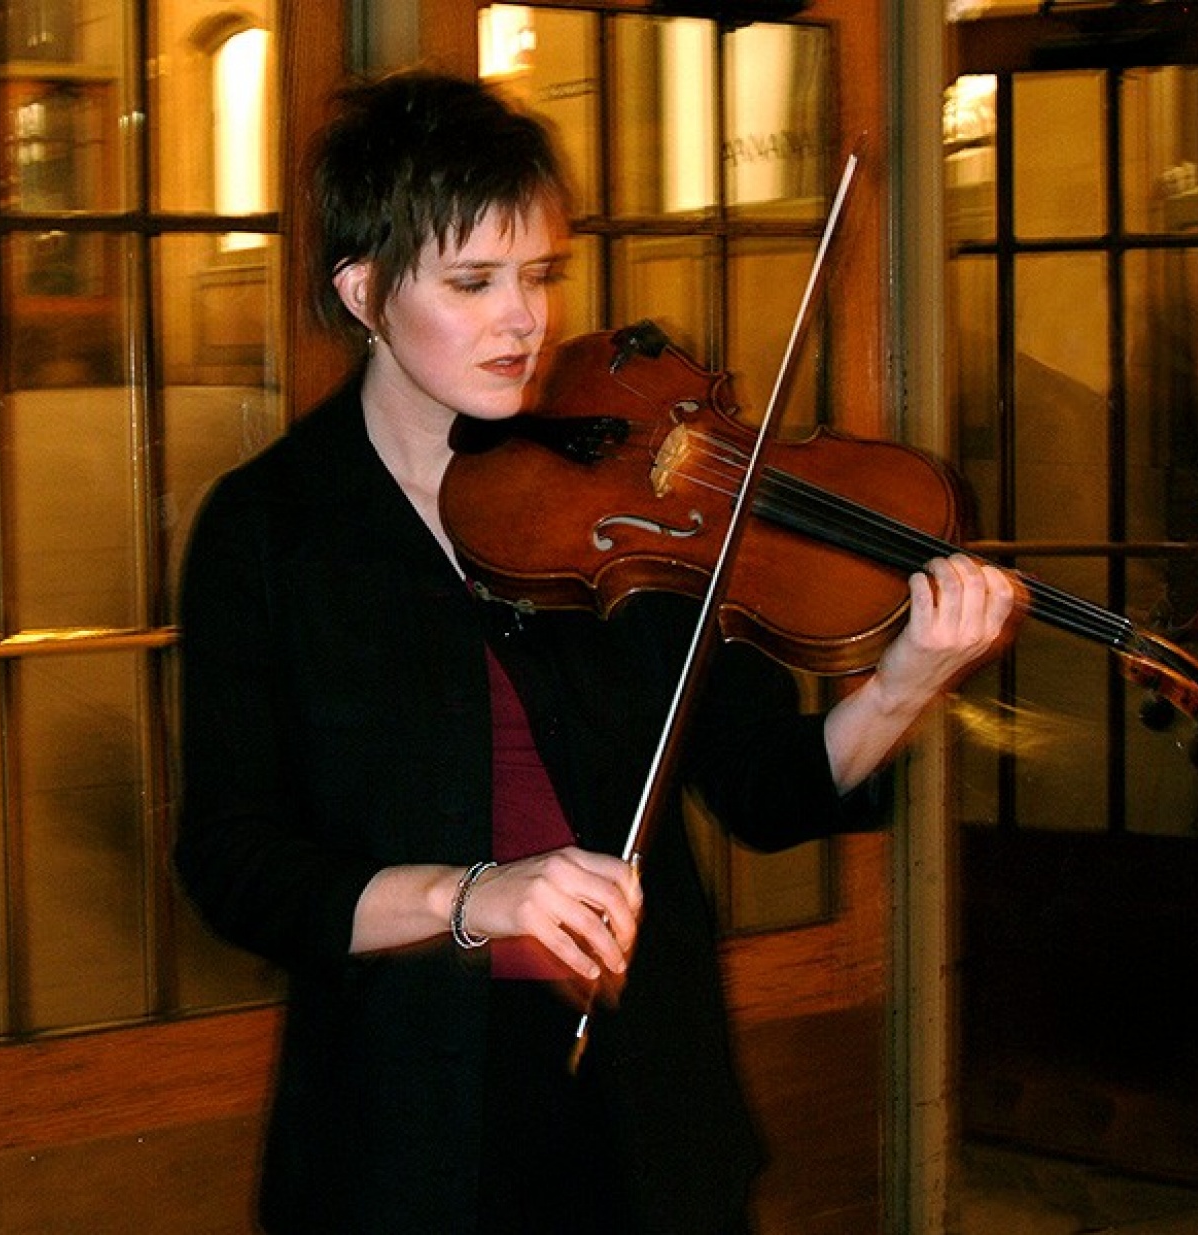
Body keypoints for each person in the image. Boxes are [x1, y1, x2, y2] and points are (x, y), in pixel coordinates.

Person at [174, 68, 1023, 1235]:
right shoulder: (271, 528)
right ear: (364, 290)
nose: (523, 319)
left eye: (538, 275)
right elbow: (236, 861)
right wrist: (473, 894)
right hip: (402, 1119)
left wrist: (905, 678)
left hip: (646, 1107)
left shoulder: (625, 493)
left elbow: (765, 783)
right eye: (472, 282)